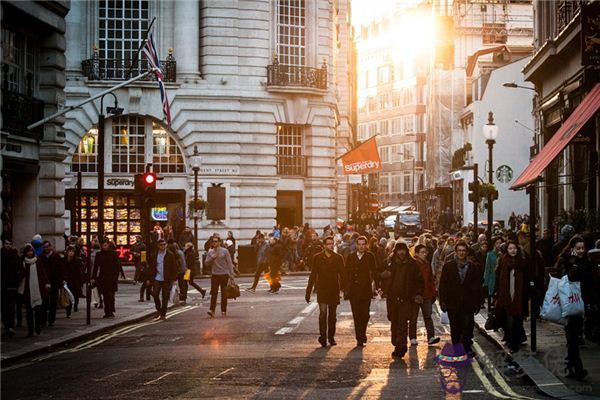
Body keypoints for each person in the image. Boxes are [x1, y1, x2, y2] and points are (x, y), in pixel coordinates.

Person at [556, 236, 593, 380]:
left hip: (581, 303)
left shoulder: (586, 261)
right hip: (568, 303)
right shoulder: (565, 261)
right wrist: (574, 264)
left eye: (583, 248)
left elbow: (590, 282)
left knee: (574, 337)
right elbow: (566, 279)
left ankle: (569, 366)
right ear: (572, 248)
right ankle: (578, 368)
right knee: (572, 337)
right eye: (578, 248)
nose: (581, 251)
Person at [439, 240, 482, 357]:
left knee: (467, 327)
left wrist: (478, 303)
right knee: (455, 327)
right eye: (459, 251)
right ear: (456, 252)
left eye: (463, 251)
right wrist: (442, 301)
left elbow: (477, 286)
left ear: (467, 252)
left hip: (468, 303)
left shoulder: (473, 267)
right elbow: (443, 284)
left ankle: (467, 347)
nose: (461, 253)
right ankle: (457, 348)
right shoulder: (448, 266)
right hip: (453, 302)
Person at [382, 242, 424, 358]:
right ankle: (396, 342)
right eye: (399, 250)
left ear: (406, 251)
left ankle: (401, 346)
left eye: (403, 250)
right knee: (394, 320)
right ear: (395, 251)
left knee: (402, 322)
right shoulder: (389, 263)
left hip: (406, 299)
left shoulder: (413, 265)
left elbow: (419, 281)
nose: (401, 252)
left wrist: (418, 294)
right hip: (392, 298)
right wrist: (383, 280)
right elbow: (380, 275)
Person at [305, 236, 346, 347]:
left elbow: (343, 275)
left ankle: (331, 337)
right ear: (324, 245)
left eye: (332, 244)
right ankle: (323, 337)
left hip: (333, 289)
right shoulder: (317, 258)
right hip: (322, 289)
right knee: (323, 313)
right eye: (328, 244)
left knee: (332, 315)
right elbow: (313, 275)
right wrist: (308, 291)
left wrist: (345, 290)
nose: (330, 246)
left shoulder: (338, 258)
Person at [494, 241, 529, 353]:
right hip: (506, 296)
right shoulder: (504, 261)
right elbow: (498, 279)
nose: (513, 250)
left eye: (514, 248)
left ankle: (516, 342)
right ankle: (511, 342)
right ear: (507, 250)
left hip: (519, 296)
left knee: (517, 321)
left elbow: (527, 280)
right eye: (510, 248)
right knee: (509, 321)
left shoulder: (522, 262)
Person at [345, 236, 378, 347]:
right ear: (356, 245)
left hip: (365, 290)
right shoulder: (351, 257)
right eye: (359, 244)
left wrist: (377, 286)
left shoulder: (370, 256)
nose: (361, 246)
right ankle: (359, 337)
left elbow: (374, 272)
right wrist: (346, 288)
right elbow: (347, 273)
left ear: (366, 245)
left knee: (365, 314)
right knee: (356, 315)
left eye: (363, 244)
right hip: (354, 291)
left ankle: (362, 333)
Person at [18, 245, 50, 337]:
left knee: (38, 310)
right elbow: (20, 274)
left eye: (31, 251)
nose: (30, 253)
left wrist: (46, 283)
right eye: (28, 251)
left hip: (37, 289)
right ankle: (30, 330)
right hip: (27, 289)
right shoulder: (23, 262)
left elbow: (42, 273)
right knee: (28, 312)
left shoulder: (37, 261)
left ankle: (37, 327)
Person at [412, 244, 440, 345]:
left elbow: (430, 280)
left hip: (427, 295)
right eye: (422, 252)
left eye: (425, 252)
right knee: (413, 317)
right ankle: (413, 338)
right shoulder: (413, 264)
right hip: (416, 296)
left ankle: (431, 337)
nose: (425, 254)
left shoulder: (427, 264)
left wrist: (433, 293)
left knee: (428, 316)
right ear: (416, 254)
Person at [148, 239, 179, 320]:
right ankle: (159, 309)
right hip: (157, 278)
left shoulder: (170, 255)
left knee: (165, 297)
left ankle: (163, 314)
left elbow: (174, 267)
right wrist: (149, 279)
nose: (163, 246)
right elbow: (151, 268)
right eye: (161, 245)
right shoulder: (155, 255)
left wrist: (174, 278)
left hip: (167, 279)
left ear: (166, 245)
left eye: (164, 244)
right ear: (158, 246)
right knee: (155, 294)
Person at [205, 236, 235, 317]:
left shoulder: (225, 251)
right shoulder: (210, 252)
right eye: (213, 241)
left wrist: (231, 275)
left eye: (216, 241)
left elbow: (229, 263)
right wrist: (212, 258)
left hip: (224, 275)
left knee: (224, 294)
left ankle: (223, 311)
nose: (214, 243)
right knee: (214, 294)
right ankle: (212, 310)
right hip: (215, 275)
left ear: (219, 242)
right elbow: (206, 263)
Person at [91, 240, 121, 318]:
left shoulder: (114, 254)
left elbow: (117, 266)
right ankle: (108, 312)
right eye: (103, 245)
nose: (104, 247)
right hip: (103, 277)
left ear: (108, 245)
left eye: (105, 245)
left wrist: (116, 276)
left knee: (111, 295)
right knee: (106, 295)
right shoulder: (99, 254)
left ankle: (111, 310)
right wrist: (93, 277)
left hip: (112, 277)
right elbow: (96, 267)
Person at [39, 241, 64, 327]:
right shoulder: (41, 257)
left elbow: (60, 270)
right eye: (44, 247)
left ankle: (51, 320)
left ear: (50, 247)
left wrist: (60, 282)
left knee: (53, 302)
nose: (46, 248)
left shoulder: (56, 256)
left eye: (47, 247)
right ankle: (43, 320)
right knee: (44, 302)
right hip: (44, 283)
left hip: (54, 282)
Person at [1, 240, 21, 337]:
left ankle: (11, 326)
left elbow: (19, 269)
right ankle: (6, 326)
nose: (8, 246)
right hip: (3, 285)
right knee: (4, 307)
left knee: (11, 307)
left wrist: (16, 281)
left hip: (12, 285)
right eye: (6, 244)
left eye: (9, 244)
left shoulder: (15, 255)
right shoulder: (1, 254)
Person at [63, 246, 83, 317]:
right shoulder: (64, 260)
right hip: (67, 281)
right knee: (68, 296)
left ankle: (75, 305)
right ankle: (68, 310)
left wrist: (81, 281)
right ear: (67, 252)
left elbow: (79, 272)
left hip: (75, 280)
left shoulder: (77, 260)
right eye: (70, 251)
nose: (71, 253)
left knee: (75, 295)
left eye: (72, 251)